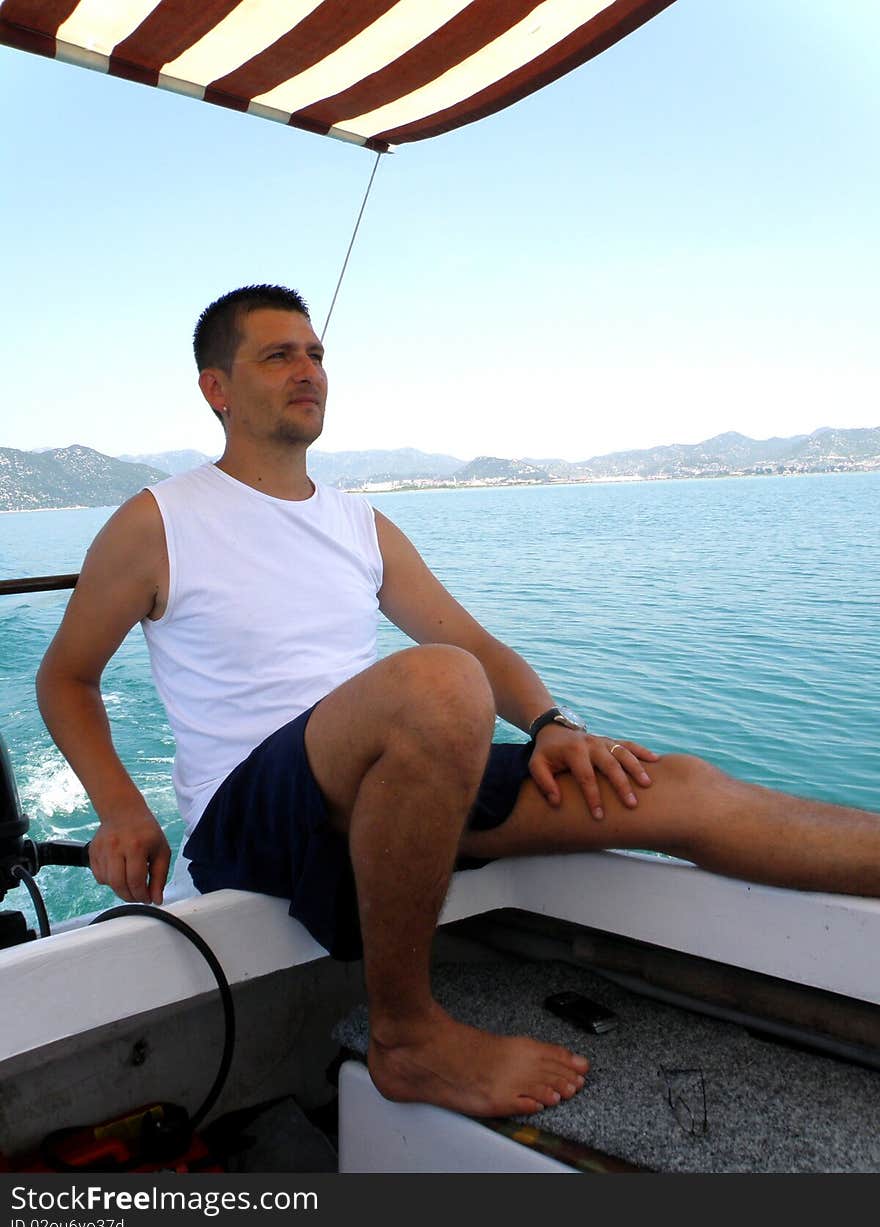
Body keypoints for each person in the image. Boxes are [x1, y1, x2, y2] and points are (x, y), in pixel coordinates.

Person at [36, 284, 880, 1121]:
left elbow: (475, 643)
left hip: (391, 785)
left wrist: (552, 724)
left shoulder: (360, 525)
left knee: (677, 786)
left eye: (317, 354)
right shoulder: (161, 521)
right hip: (250, 817)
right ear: (216, 388)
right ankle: (408, 1035)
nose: (309, 370)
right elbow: (66, 676)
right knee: (438, 684)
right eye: (278, 354)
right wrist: (122, 808)